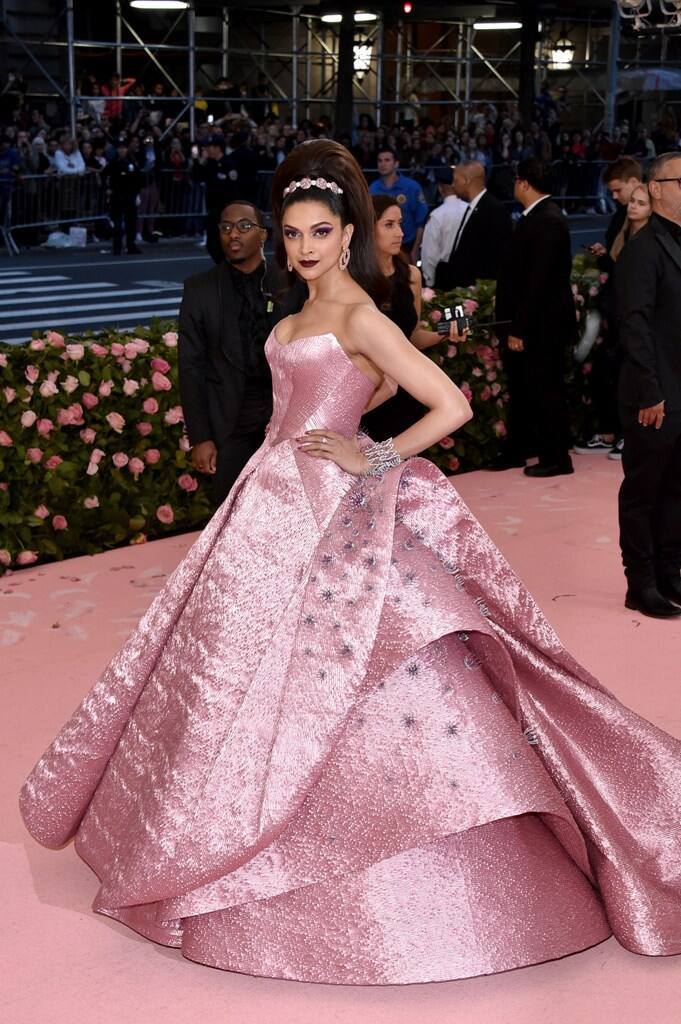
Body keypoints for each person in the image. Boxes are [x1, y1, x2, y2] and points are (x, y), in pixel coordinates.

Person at [20, 140, 681, 984]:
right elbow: (305, 407)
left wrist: (375, 458)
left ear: (345, 234)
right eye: (290, 231)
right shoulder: (291, 316)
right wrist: (292, 454)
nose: (301, 247)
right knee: (229, 675)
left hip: (330, 515)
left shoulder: (359, 313)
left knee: (340, 673)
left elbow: (451, 402)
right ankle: (213, 831)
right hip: (265, 506)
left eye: (318, 231)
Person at [178, 199, 305, 504]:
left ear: (263, 234)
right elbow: (191, 367)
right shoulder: (200, 289)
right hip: (229, 428)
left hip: (284, 425)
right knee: (230, 518)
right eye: (226, 227)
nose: (233, 234)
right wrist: (201, 437)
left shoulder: (293, 283)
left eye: (244, 226)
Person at [614, 152, 681, 619]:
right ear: (656, 188)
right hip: (656, 393)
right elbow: (634, 325)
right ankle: (640, 582)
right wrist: (650, 393)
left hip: (679, 387)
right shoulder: (643, 247)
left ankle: (670, 571)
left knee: (676, 487)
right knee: (644, 488)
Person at [494, 157, 576, 476]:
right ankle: (521, 448)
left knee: (546, 391)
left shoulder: (548, 220)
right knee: (526, 389)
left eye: (516, 179)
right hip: (534, 325)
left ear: (524, 183)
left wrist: (520, 328)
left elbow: (538, 282)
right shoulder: (539, 217)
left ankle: (556, 458)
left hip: (542, 328)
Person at [363, 194, 462, 441]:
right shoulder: (352, 283)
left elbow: (412, 337)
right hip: (368, 397)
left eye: (400, 223)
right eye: (389, 225)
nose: (399, 232)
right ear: (367, 228)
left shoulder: (411, 276)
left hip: (406, 392)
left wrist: (443, 333)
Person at [575, 182, 652, 460]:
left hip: (632, 323)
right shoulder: (625, 237)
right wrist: (606, 259)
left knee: (623, 378)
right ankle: (612, 433)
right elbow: (620, 276)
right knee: (604, 375)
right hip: (616, 319)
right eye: (632, 202)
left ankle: (625, 436)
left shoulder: (651, 243)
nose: (632, 206)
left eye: (640, 203)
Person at [437, 159, 512, 289]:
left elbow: (497, 258)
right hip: (465, 291)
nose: (453, 185)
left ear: (466, 181)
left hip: (479, 295)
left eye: (456, 180)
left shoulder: (494, 210)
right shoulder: (474, 207)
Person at [368, 144, 428, 263]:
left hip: (407, 246)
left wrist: (415, 250)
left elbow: (420, 222)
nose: (383, 164)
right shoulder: (372, 189)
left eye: (387, 160)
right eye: (380, 161)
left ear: (396, 163)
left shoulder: (411, 187)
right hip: (381, 249)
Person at [192, 134, 238, 264]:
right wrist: (200, 161)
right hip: (213, 210)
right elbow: (196, 176)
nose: (207, 150)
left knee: (225, 243)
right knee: (212, 244)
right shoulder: (209, 164)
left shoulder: (228, 164)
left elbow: (231, 186)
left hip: (226, 210)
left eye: (210, 147)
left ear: (218, 148)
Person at [420, 166, 468, 288]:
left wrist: (429, 282)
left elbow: (429, 254)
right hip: (468, 272)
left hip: (445, 275)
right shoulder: (469, 209)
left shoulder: (437, 215)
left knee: (448, 307)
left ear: (440, 188)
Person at [102, 136, 142, 255]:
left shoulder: (132, 162)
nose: (122, 150)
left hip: (130, 195)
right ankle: (117, 246)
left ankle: (131, 245)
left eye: (124, 148)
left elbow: (138, 179)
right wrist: (107, 189)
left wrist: (137, 194)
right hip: (117, 196)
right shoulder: (113, 163)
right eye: (119, 148)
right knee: (118, 223)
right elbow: (104, 175)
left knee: (131, 222)